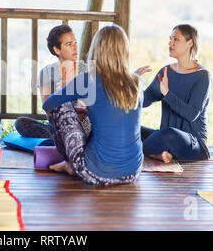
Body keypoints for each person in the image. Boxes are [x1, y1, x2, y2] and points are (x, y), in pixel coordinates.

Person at [42, 25, 144, 185]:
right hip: (132, 173)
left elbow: (48, 104)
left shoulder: (87, 80)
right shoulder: (137, 82)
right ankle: (71, 165)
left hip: (95, 173)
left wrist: (76, 107)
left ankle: (70, 164)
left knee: (62, 106)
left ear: (97, 49)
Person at [141, 24, 211, 163]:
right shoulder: (166, 71)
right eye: (170, 39)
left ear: (190, 43)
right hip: (165, 138)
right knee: (133, 128)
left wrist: (167, 94)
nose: (170, 43)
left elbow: (191, 114)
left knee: (169, 133)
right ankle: (158, 153)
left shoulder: (202, 76)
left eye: (176, 39)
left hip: (192, 143)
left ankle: (142, 150)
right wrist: (131, 82)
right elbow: (144, 100)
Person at [15, 24, 89, 139]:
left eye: (75, 43)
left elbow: (91, 108)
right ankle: (61, 140)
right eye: (69, 44)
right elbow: (49, 111)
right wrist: (64, 95)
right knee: (21, 123)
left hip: (83, 126)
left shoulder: (86, 70)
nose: (75, 48)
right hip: (58, 126)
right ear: (57, 49)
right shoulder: (47, 73)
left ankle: (60, 141)